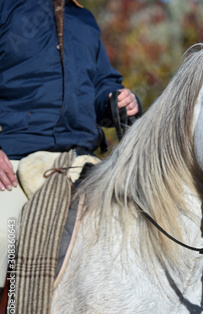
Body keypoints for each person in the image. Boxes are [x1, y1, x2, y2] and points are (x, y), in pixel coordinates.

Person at [0, 0, 141, 286]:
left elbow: (103, 83)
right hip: (12, 160)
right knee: (3, 239)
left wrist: (119, 99)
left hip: (80, 160)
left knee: (133, 232)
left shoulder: (84, 19)